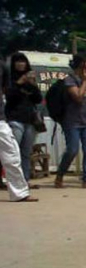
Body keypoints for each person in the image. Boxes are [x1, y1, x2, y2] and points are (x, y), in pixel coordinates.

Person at [55, 53, 86, 189]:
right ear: (81, 65)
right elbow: (78, 97)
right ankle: (60, 175)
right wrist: (85, 81)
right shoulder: (70, 80)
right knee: (72, 150)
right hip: (72, 122)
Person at [0, 61, 37, 202]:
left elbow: (5, 89)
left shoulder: (2, 66)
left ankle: (19, 193)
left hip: (0, 119)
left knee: (12, 154)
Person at [5, 52, 42, 186]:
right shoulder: (9, 79)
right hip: (14, 118)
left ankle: (25, 181)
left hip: (30, 121)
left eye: (23, 61)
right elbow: (9, 97)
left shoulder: (30, 80)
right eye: (18, 61)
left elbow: (38, 99)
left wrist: (32, 85)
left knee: (26, 153)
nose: (21, 64)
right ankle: (14, 181)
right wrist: (19, 83)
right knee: (13, 152)